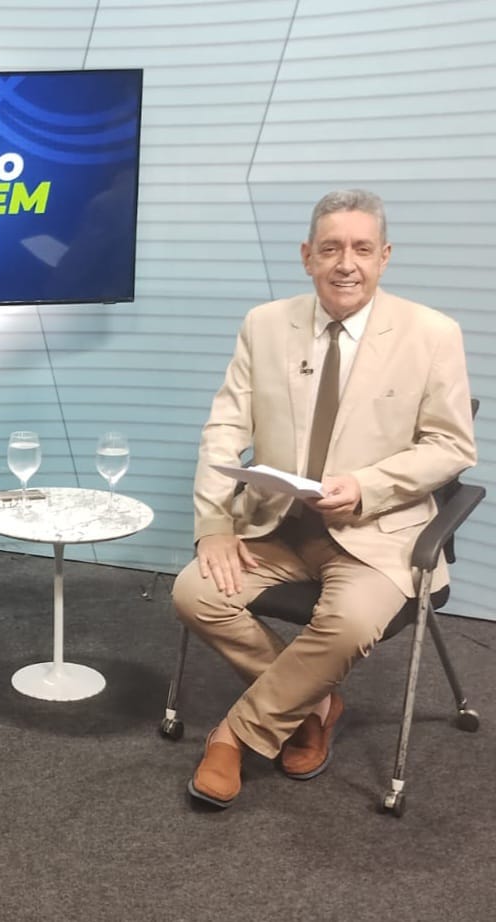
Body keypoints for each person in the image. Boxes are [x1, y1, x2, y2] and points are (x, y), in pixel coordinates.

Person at [172, 189, 476, 808]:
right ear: (307, 256)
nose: (346, 264)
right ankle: (315, 705)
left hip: (375, 533)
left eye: (362, 249)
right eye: (331, 248)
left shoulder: (432, 333)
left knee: (351, 623)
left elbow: (451, 447)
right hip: (276, 525)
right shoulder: (264, 325)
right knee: (194, 593)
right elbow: (225, 429)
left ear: (384, 256)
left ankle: (236, 735)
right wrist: (214, 524)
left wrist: (367, 486)